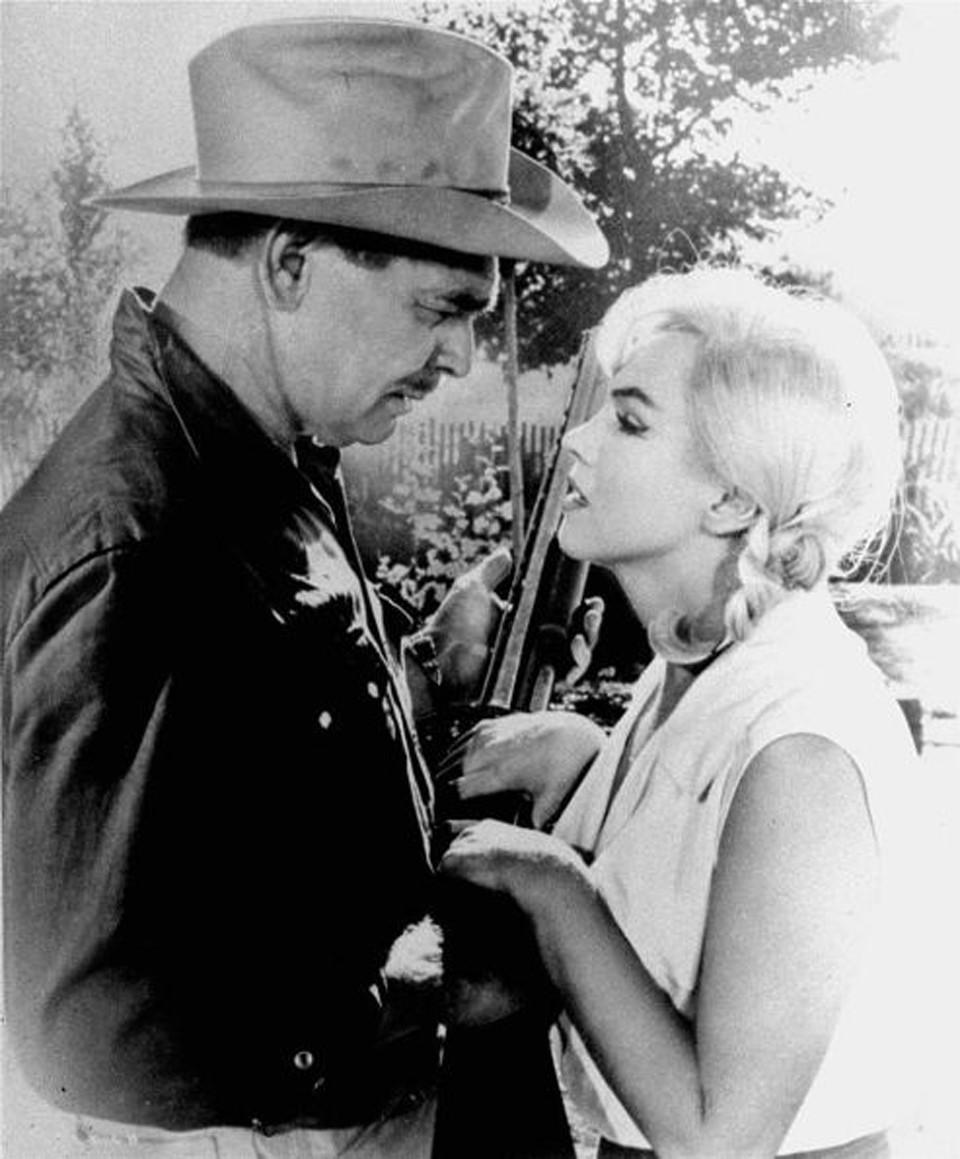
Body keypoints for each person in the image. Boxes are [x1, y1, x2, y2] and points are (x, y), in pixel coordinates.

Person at [0, 17, 608, 1158]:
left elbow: (254, 761)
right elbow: (105, 1036)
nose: (461, 359)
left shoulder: (251, 453)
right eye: (443, 308)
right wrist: (441, 977)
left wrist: (428, 673)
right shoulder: (140, 550)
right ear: (289, 265)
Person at [440, 267, 922, 1158]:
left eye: (628, 421)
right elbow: (690, 876)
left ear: (733, 499)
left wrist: (549, 879)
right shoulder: (700, 664)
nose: (577, 440)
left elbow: (720, 1138)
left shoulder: (802, 748)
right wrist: (586, 763)